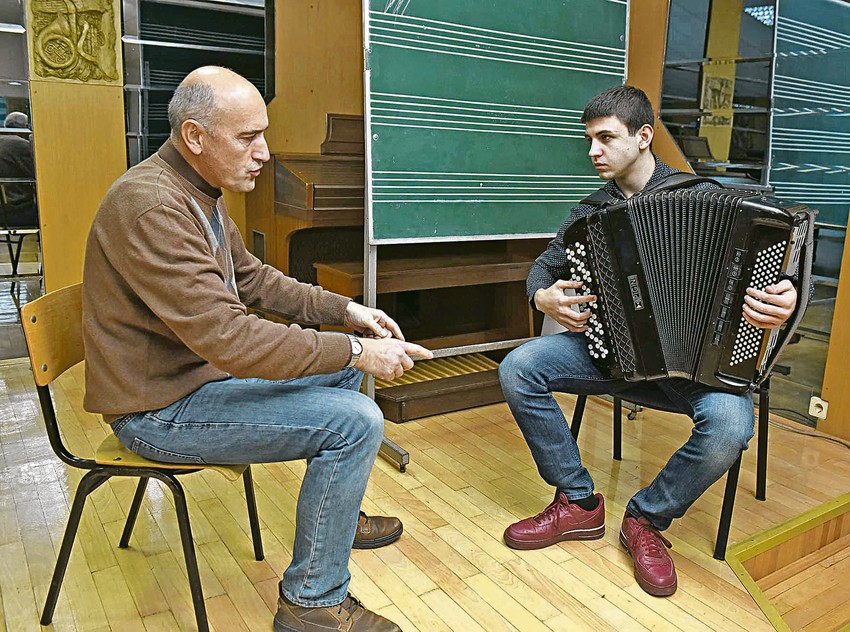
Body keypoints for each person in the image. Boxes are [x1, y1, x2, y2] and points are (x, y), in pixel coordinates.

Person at [82, 66, 432, 632]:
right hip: (157, 410)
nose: (264, 152)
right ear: (195, 137)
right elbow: (232, 337)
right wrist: (353, 350)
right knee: (356, 419)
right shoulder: (151, 207)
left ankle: (335, 521)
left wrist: (344, 312)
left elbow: (252, 279)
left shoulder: (198, 193)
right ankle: (312, 603)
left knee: (343, 383)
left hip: (194, 382)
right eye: (248, 138)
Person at [498, 85, 798, 597]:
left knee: (730, 424)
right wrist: (542, 297)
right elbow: (543, 269)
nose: (593, 151)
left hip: (695, 368)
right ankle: (578, 503)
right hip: (611, 356)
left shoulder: (703, 198)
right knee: (518, 367)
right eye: (589, 140)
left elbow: (787, 262)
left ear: (643, 136)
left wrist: (787, 296)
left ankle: (645, 519)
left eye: (605, 138)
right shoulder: (591, 211)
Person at [0, 111, 37, 228]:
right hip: (18, 211)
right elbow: (38, 174)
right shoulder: (20, 145)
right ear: (26, 128)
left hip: (4, 210)